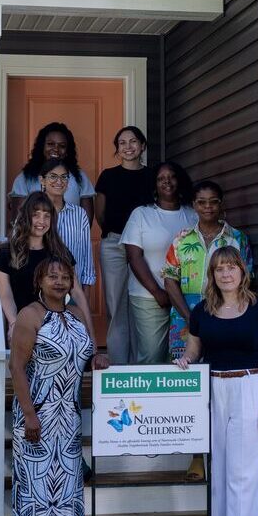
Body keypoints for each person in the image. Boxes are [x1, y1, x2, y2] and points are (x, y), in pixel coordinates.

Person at [175, 246, 258, 516]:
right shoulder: (203, 311)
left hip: (250, 386)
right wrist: (186, 360)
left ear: (242, 271)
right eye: (219, 269)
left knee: (243, 471)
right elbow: (194, 347)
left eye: (231, 267)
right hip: (215, 388)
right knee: (220, 466)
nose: (225, 273)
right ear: (212, 275)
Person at [10, 256, 93, 516]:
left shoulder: (75, 315)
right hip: (38, 414)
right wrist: (30, 414)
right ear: (39, 282)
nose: (59, 281)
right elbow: (16, 367)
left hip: (69, 416)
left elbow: (82, 353)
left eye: (65, 277)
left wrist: (96, 362)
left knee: (66, 488)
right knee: (36, 488)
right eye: (52, 276)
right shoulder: (30, 316)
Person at [162, 180, 251, 360]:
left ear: (221, 203)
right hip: (185, 316)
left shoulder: (237, 239)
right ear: (194, 205)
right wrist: (190, 318)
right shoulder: (182, 239)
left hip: (224, 314)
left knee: (218, 365)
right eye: (202, 202)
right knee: (185, 373)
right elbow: (170, 279)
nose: (208, 207)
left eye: (213, 201)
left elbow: (247, 278)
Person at [121, 161, 195, 364]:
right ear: (154, 185)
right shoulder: (141, 214)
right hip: (149, 297)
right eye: (161, 179)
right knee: (152, 357)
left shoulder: (192, 214)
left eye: (171, 177)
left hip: (186, 297)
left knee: (184, 357)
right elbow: (134, 257)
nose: (167, 182)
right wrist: (157, 292)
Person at [95, 126, 157, 363]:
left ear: (142, 146)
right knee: (115, 302)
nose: (128, 146)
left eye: (133, 142)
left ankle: (141, 363)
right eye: (122, 143)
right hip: (114, 244)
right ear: (117, 148)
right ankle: (119, 364)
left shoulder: (152, 176)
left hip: (144, 247)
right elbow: (100, 214)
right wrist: (116, 234)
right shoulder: (108, 176)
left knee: (143, 300)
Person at [0, 192, 76, 336]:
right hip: (24, 327)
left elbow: (76, 292)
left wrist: (90, 332)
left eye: (46, 215)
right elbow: (5, 294)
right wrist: (14, 324)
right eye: (35, 214)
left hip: (57, 328)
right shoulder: (5, 252)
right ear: (25, 217)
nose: (41, 221)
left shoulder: (60, 251)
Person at [39, 163, 99, 340]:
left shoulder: (79, 214)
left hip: (72, 290)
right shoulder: (33, 214)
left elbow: (85, 258)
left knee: (73, 341)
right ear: (42, 180)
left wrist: (84, 300)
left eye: (64, 177)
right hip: (40, 292)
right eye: (53, 176)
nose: (59, 181)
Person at [8, 122, 94, 220]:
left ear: (68, 151)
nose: (56, 149)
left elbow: (86, 221)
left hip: (70, 235)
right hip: (36, 235)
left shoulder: (80, 177)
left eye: (62, 146)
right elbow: (18, 220)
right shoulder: (24, 178)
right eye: (50, 144)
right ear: (41, 147)